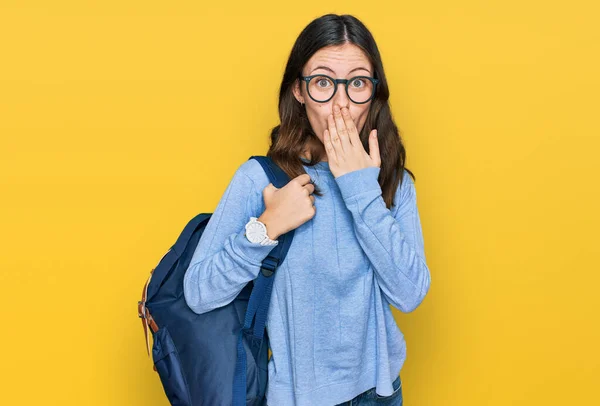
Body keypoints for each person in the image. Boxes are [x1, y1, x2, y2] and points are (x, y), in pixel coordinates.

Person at [183, 13, 431, 406]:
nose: (341, 105)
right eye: (322, 83)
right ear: (299, 90)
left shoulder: (392, 182)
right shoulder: (261, 179)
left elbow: (410, 293)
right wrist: (264, 228)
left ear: (374, 91)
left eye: (358, 83)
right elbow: (198, 293)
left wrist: (358, 189)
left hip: (381, 393)